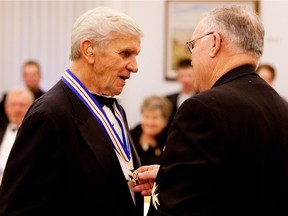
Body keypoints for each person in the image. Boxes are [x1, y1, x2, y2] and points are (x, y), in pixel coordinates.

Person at [133, 6, 288, 215]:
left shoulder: (203, 108)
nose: (191, 58)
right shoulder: (281, 106)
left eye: (192, 46)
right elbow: (247, 179)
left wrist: (166, 191)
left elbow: (179, 208)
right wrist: (170, 176)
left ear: (214, 43)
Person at [0, 7, 144, 215]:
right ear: (89, 50)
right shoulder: (48, 115)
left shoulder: (115, 107)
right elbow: (19, 208)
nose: (135, 66)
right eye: (125, 53)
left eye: (135, 55)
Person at [0, 87, 34, 184]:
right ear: (6, 107)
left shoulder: (34, 132)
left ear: (31, 107)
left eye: (22, 105)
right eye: (13, 104)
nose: (17, 109)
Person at [130, 95, 172, 165]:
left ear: (165, 121)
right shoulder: (130, 136)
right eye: (146, 117)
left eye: (155, 117)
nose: (150, 122)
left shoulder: (170, 140)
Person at [166, 58, 196, 126]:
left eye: (189, 76)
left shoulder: (202, 98)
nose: (185, 80)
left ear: (195, 75)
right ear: (177, 76)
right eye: (182, 76)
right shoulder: (168, 99)